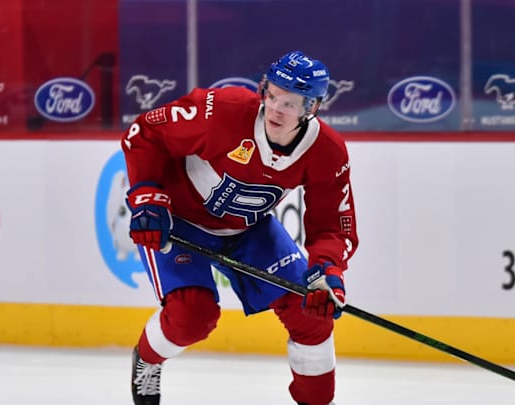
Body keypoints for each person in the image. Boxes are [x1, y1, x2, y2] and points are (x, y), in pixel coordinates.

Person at [121, 50, 358, 405]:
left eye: (291, 103)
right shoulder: (222, 110)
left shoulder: (328, 152)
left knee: (311, 314)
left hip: (250, 230)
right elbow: (145, 132)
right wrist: (147, 196)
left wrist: (327, 269)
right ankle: (148, 359)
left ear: (312, 108)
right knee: (191, 316)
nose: (277, 108)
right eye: (273, 94)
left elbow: (333, 227)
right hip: (181, 223)